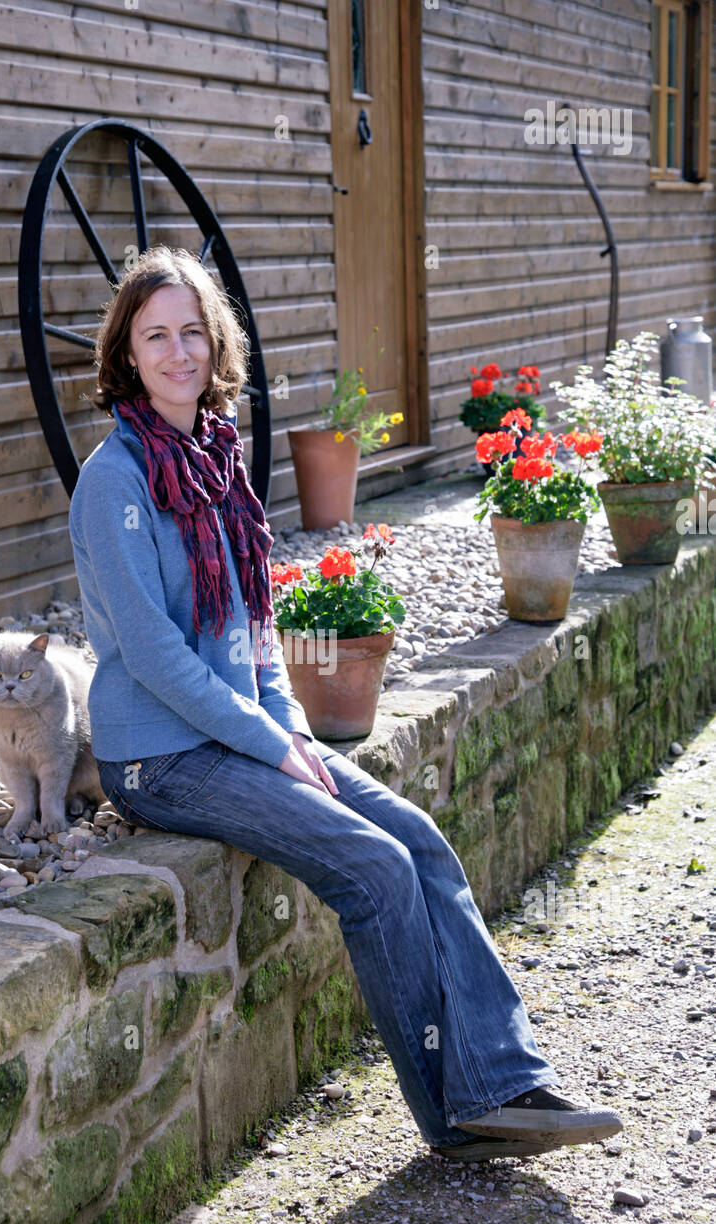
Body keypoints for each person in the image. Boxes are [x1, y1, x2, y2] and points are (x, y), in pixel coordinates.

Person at [67, 245, 623, 1163]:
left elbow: (256, 624)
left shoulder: (215, 463)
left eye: (192, 333)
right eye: (155, 335)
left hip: (239, 736)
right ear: (125, 352)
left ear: (215, 345)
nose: (176, 353)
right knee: (373, 865)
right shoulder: (116, 481)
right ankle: (453, 1116)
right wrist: (269, 742)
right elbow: (156, 657)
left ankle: (506, 1080)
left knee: (423, 844)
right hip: (160, 757)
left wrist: (284, 725)